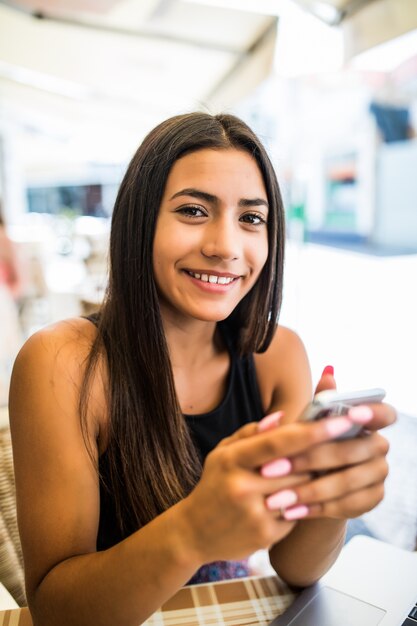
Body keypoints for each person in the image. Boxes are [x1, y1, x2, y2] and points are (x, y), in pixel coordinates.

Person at [9, 112, 395, 626]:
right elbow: (57, 611)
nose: (225, 247)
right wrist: (192, 531)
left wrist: (334, 497)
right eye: (193, 210)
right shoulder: (63, 362)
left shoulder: (276, 355)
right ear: (139, 222)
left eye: (251, 219)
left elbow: (295, 568)